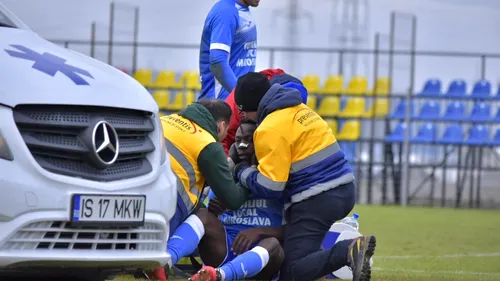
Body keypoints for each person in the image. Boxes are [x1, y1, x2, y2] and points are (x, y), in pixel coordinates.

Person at [232, 72, 377, 281]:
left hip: (317, 197)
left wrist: (241, 170)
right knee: (303, 253)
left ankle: (349, 249)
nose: (244, 118)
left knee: (292, 273)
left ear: (246, 108)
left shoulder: (269, 128)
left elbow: (271, 187)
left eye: (243, 112)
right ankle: (330, 266)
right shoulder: (300, 109)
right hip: (343, 188)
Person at [155, 99, 250, 279]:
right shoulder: (208, 143)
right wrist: (245, 171)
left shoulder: (164, 120)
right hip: (167, 201)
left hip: (135, 188)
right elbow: (233, 199)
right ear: (221, 126)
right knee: (200, 214)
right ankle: (164, 261)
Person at [187, 119, 285, 281]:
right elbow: (207, 211)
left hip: (263, 260)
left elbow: (295, 229)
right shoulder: (228, 174)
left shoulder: (277, 177)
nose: (242, 146)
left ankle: (221, 275)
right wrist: (213, 209)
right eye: (238, 141)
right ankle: (167, 259)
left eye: (248, 140)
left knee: (272, 243)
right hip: (226, 249)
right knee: (203, 215)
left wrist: (258, 232)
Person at [221, 68, 309, 155]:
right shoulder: (236, 109)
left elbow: (271, 164)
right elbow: (221, 137)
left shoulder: (274, 122)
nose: (245, 117)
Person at [198, 0, 260, 100]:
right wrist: (243, 98)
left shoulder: (242, 10)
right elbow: (218, 62)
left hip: (234, 103)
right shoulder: (226, 12)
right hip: (219, 105)